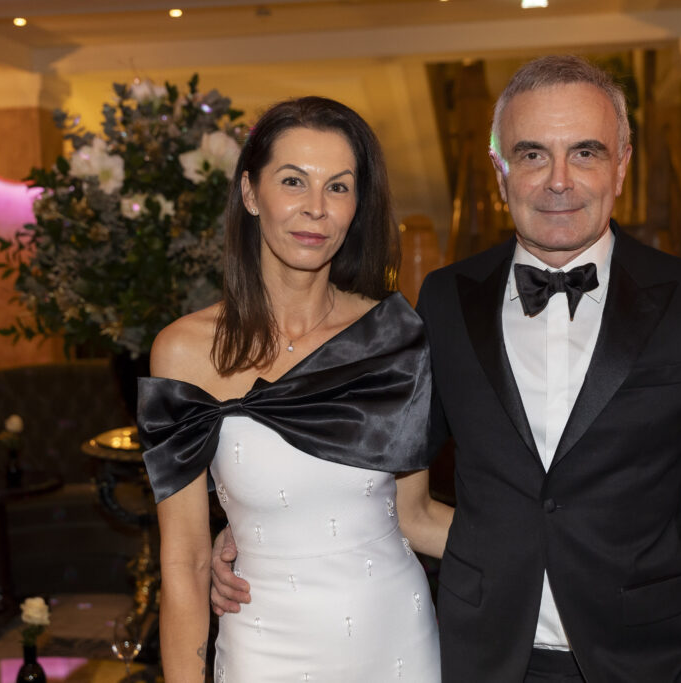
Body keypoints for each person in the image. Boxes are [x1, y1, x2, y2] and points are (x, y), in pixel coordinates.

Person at [213, 56, 681, 682]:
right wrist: (259, 530)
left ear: (621, 163)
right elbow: (380, 461)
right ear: (499, 169)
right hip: (480, 658)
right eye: (532, 154)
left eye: (585, 152)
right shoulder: (446, 301)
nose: (558, 181)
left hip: (649, 661)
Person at [139, 96, 451, 683]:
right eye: (293, 181)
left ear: (357, 205)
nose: (316, 208)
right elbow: (185, 562)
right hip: (263, 646)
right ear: (251, 193)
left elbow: (415, 515)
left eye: (339, 187)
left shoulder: (394, 336)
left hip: (396, 640)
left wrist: (546, 543)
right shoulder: (184, 351)